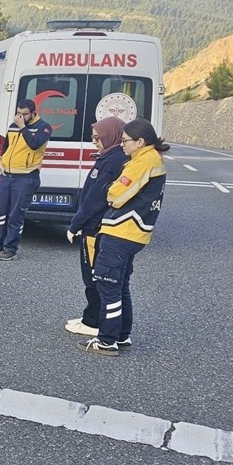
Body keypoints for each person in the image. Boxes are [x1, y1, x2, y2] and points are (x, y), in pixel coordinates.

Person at [79, 118, 169, 355]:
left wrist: (110, 188)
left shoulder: (141, 162)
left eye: (126, 141)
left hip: (120, 231)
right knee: (120, 286)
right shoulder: (152, 159)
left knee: (108, 286)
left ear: (140, 141)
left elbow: (116, 195)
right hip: (135, 233)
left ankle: (106, 341)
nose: (122, 145)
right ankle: (121, 335)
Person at [64, 117, 127, 339]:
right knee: (96, 276)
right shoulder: (110, 157)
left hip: (96, 227)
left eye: (97, 137)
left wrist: (76, 224)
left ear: (110, 136)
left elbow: (95, 199)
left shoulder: (112, 162)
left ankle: (93, 321)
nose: (94, 142)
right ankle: (92, 317)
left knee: (93, 276)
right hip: (98, 226)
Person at [0, 98, 52, 260]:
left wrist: (23, 128)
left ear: (33, 113)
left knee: (15, 214)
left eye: (24, 114)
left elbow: (35, 144)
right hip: (7, 175)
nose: (20, 117)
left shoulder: (44, 127)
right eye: (18, 113)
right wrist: (2, 162)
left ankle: (11, 249)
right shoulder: (13, 126)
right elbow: (6, 146)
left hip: (26, 177)